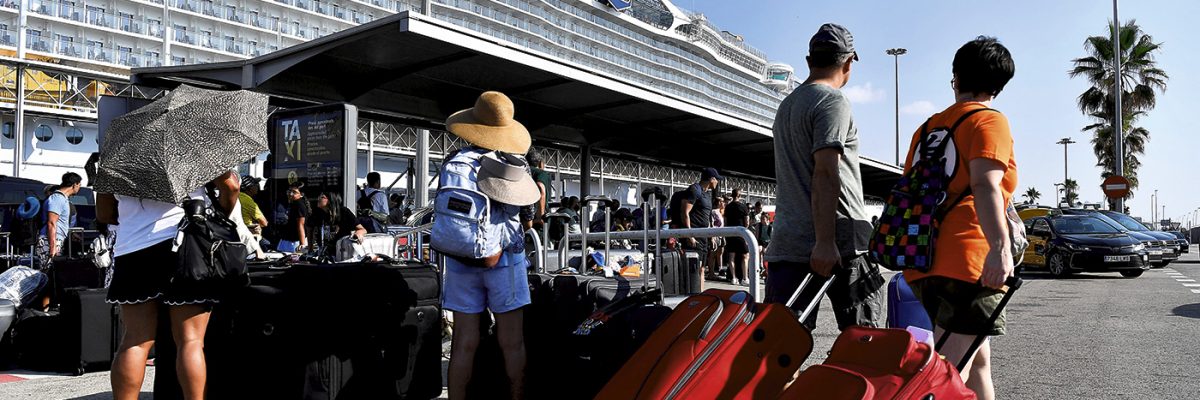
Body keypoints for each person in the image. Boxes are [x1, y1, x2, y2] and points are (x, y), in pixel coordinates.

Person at [904, 36, 1017, 400]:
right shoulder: (988, 120)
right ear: (999, 85)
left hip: (924, 259)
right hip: (970, 261)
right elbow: (986, 186)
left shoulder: (927, 129)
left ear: (955, 77)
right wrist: (1000, 247)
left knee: (977, 361)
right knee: (946, 377)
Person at [765, 23, 884, 331]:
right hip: (838, 241)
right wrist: (825, 241)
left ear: (809, 61)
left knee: (781, 346)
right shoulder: (832, 101)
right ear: (848, 63)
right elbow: (826, 171)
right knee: (862, 339)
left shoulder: (787, 105)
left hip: (788, 240)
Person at [106, 171, 240, 400]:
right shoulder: (193, 144)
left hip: (132, 250)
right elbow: (232, 187)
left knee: (135, 340)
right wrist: (220, 211)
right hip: (186, 244)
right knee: (190, 341)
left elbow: (104, 212)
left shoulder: (117, 151)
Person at [439, 91, 535, 400]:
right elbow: (527, 213)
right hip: (502, 260)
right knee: (512, 342)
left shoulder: (452, 161)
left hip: (459, 259)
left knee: (464, 342)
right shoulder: (512, 163)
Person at [669, 167, 721, 282]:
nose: (717, 182)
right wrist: (689, 235)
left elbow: (707, 216)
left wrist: (711, 235)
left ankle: (700, 297)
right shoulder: (694, 190)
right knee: (692, 270)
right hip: (693, 237)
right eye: (716, 179)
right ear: (711, 179)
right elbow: (684, 212)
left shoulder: (708, 194)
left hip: (703, 238)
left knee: (702, 269)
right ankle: (691, 296)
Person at [40, 172, 82, 262]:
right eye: (79, 185)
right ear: (74, 185)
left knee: (54, 271)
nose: (79, 188)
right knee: (49, 271)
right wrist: (53, 247)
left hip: (56, 239)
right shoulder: (57, 198)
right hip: (50, 240)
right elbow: (51, 223)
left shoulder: (62, 198)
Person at [315, 192, 367, 257]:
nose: (318, 199)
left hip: (343, 252)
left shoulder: (344, 212)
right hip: (326, 253)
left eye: (322, 197)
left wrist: (358, 233)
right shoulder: (320, 214)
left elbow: (362, 229)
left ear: (330, 200)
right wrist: (310, 249)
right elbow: (310, 228)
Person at [724, 189, 752, 286]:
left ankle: (734, 278)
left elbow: (725, 222)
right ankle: (745, 278)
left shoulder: (728, 207)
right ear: (740, 196)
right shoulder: (743, 207)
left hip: (731, 233)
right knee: (745, 255)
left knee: (731, 256)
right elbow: (747, 222)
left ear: (732, 195)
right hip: (741, 233)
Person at [277, 183, 310, 253]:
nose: (290, 194)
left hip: (294, 243)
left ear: (301, 194)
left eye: (294, 192)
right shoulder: (293, 203)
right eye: (289, 191)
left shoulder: (299, 204)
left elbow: (301, 225)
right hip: (288, 241)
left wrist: (302, 244)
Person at [527, 151, 552, 230]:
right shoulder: (541, 173)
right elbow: (540, 187)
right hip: (536, 217)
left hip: (525, 215)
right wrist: (540, 216)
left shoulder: (523, 172)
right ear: (540, 163)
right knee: (542, 241)